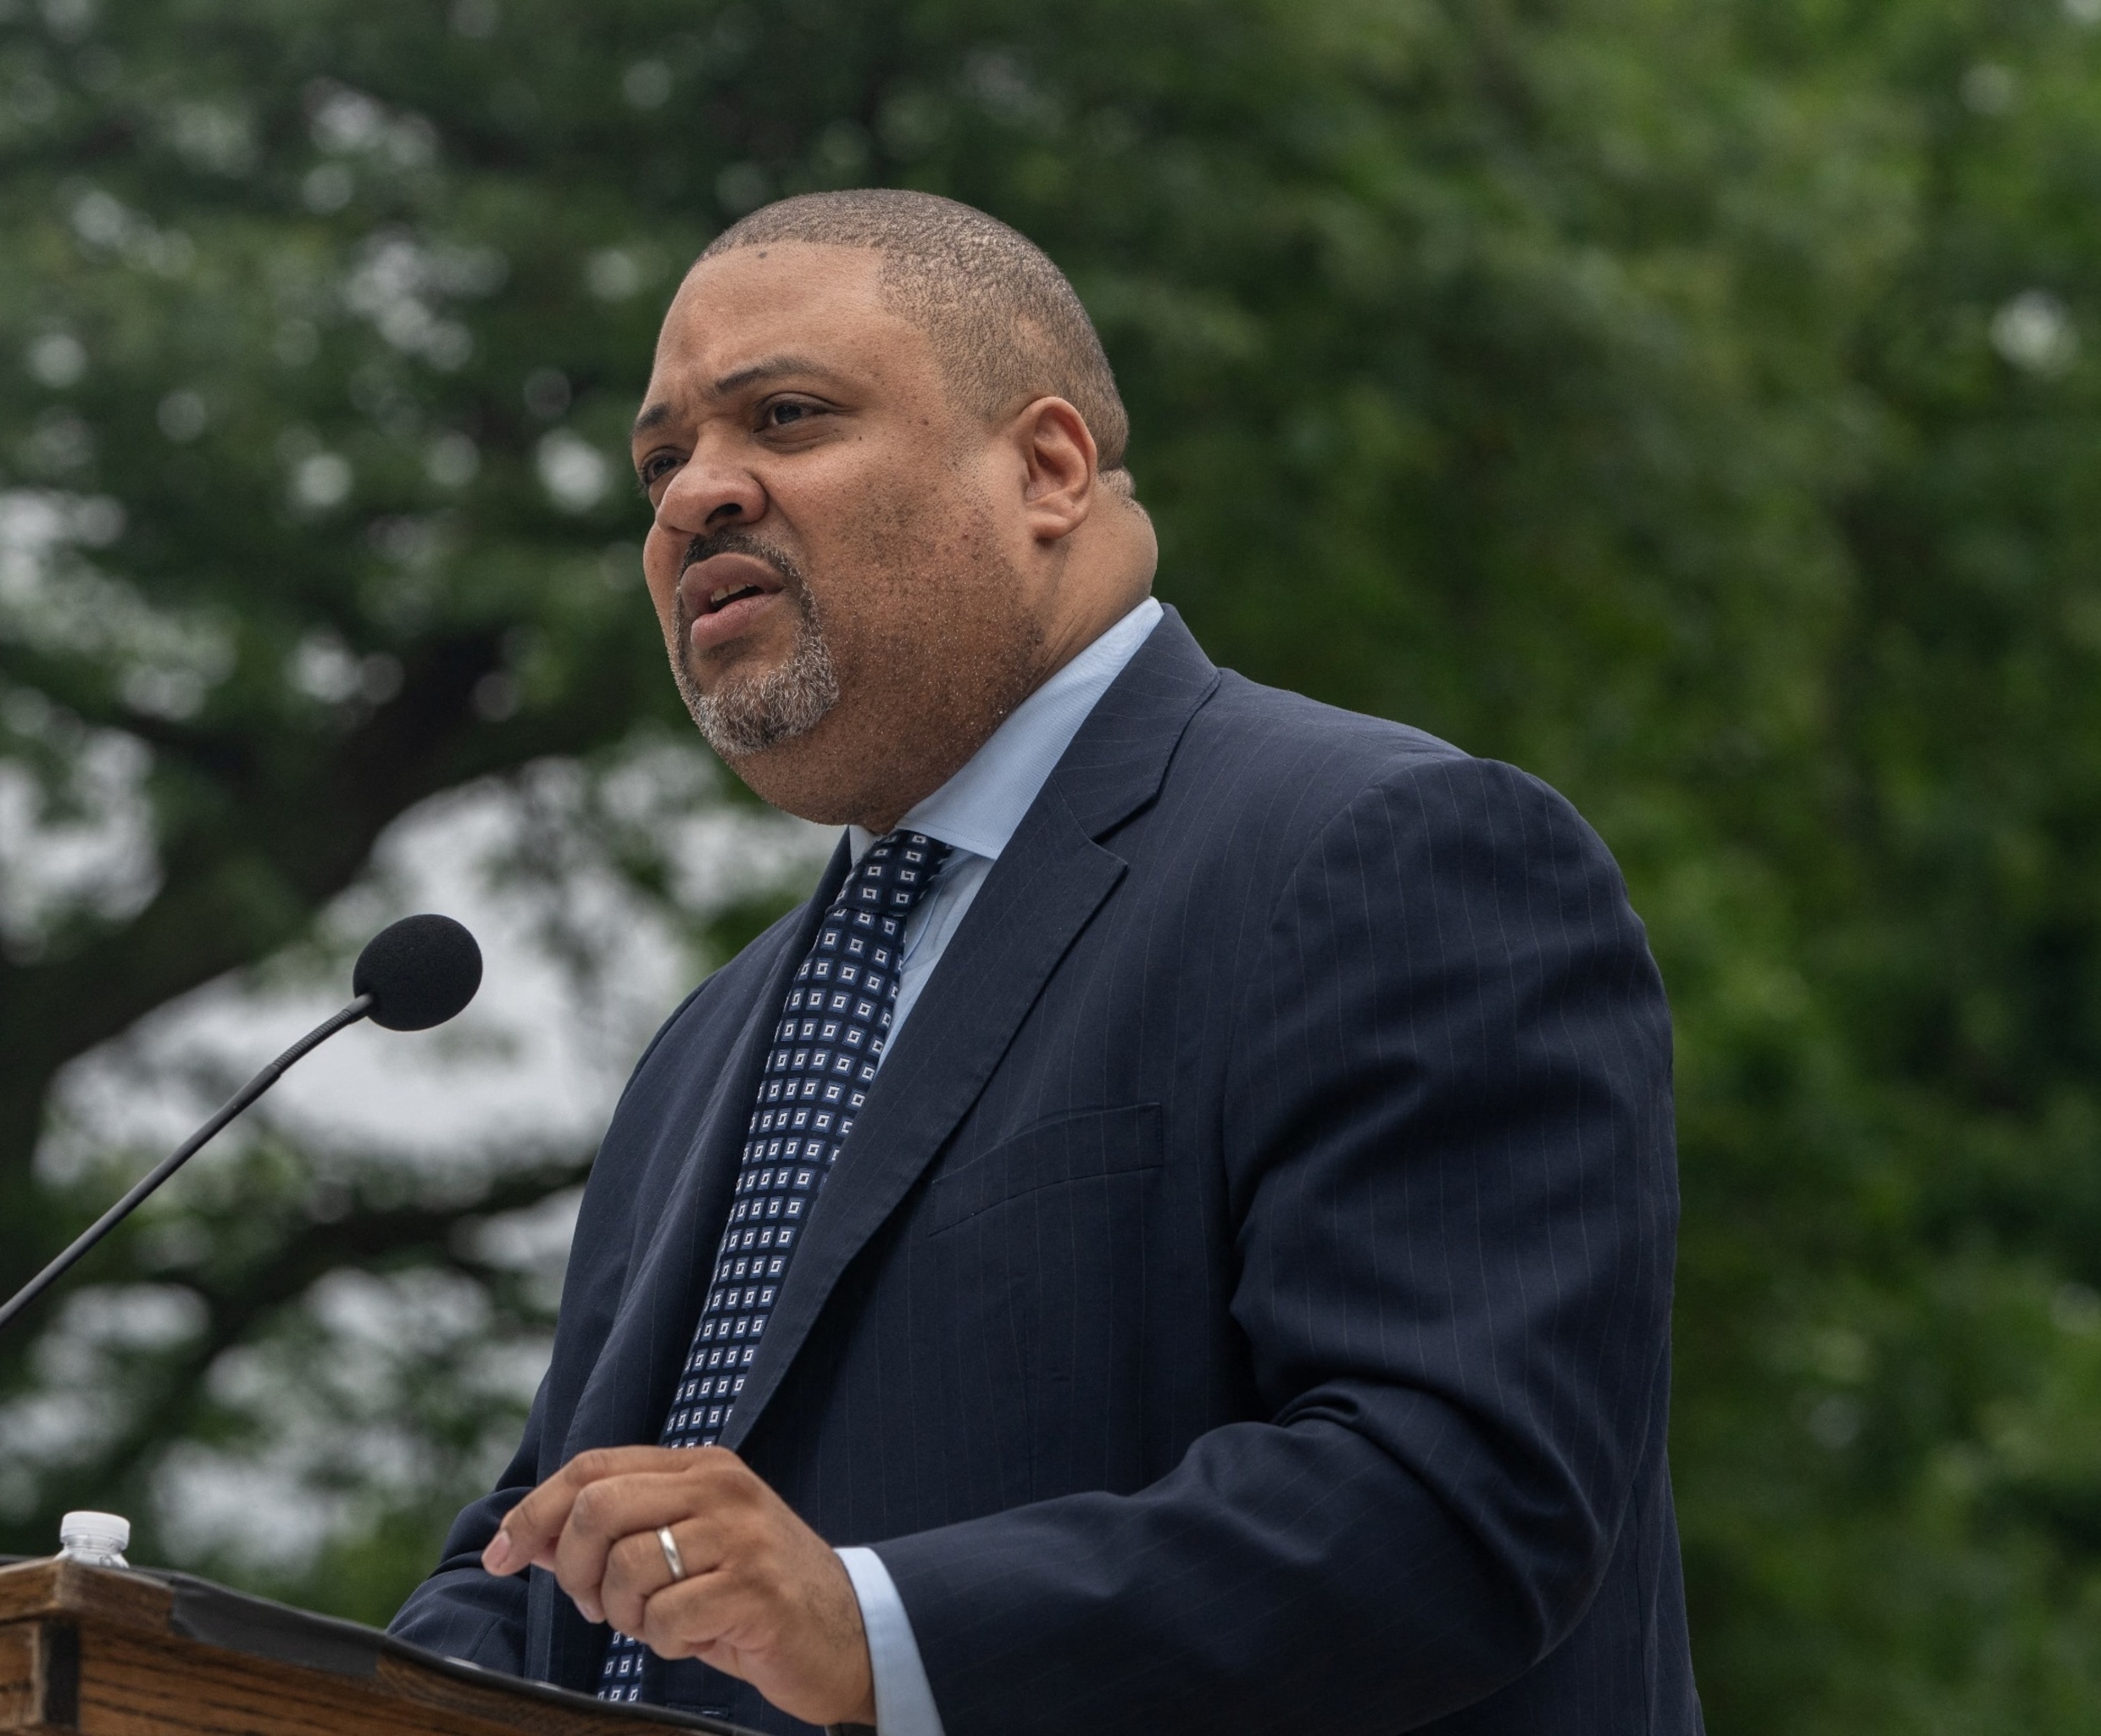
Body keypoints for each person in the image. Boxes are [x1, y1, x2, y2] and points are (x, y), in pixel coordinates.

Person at [391, 189, 1698, 1736]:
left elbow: (1462, 1501)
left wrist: (876, 1629)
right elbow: (557, 1551)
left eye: (786, 418)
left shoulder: (1392, 850)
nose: (694, 499)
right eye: (662, 461)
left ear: (1048, 467)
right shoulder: (707, 1050)